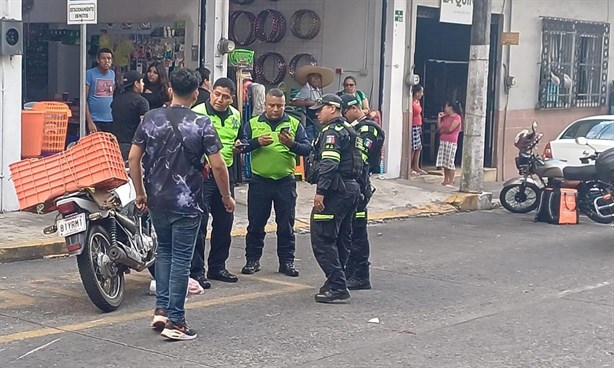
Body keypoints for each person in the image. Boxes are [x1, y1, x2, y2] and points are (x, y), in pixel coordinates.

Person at [129, 68, 235, 341]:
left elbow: (133, 158)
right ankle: (176, 320)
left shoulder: (151, 119)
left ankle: (161, 309)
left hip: (156, 199)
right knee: (181, 261)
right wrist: (226, 196)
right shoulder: (201, 123)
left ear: (169, 90)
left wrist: (140, 193)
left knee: (164, 253)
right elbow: (219, 166)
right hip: (187, 203)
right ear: (196, 94)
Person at [236, 88, 311, 277]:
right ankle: (252, 260)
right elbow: (240, 147)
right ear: (265, 105)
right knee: (255, 224)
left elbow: (307, 149)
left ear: (284, 105)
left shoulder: (294, 124)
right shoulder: (252, 124)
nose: (276, 109)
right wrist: (256, 143)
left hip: (285, 182)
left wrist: (292, 145)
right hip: (259, 182)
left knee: (286, 224)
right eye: (272, 105)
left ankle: (287, 262)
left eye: (280, 106)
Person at [308, 94, 364, 303]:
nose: (316, 113)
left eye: (320, 109)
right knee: (342, 238)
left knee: (322, 238)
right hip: (352, 190)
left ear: (332, 108)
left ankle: (338, 285)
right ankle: (334, 281)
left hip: (335, 191)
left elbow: (330, 163)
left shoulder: (332, 131)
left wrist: (321, 192)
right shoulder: (351, 130)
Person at [191, 78, 242, 286]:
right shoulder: (197, 112)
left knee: (224, 223)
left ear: (232, 98)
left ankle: (217, 267)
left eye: (226, 96)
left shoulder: (236, 116)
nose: (220, 100)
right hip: (202, 175)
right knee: (199, 224)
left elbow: (235, 139)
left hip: (225, 173)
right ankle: (196, 271)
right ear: (210, 92)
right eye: (217, 94)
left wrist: (239, 146)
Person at [340, 94, 386, 291]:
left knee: (357, 231)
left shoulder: (367, 128)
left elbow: (361, 157)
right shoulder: (355, 128)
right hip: (353, 186)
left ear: (353, 108)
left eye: (344, 112)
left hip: (359, 186)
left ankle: (360, 274)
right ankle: (350, 271)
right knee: (348, 230)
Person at [111, 70, 149, 160]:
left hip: (115, 145)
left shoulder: (116, 99)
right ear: (136, 83)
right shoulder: (141, 102)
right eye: (142, 81)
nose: (143, 84)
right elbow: (145, 127)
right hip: (133, 146)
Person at [291, 65, 335, 141]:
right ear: (309, 79)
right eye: (314, 78)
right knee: (310, 139)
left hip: (317, 120)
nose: (316, 80)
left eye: (318, 78)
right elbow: (295, 102)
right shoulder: (306, 89)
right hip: (309, 121)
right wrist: (310, 103)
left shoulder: (318, 90)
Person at [86, 48, 115, 134]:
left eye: (109, 58)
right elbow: (83, 99)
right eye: (103, 58)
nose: (106, 61)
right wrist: (89, 121)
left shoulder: (113, 74)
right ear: (98, 60)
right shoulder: (89, 74)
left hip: (110, 119)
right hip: (94, 119)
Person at [436, 100, 463, 187]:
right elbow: (439, 127)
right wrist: (439, 118)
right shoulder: (446, 117)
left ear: (451, 107)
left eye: (446, 107)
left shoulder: (457, 117)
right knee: (444, 161)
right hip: (443, 140)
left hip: (451, 142)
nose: (445, 108)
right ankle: (445, 179)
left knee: (450, 161)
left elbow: (450, 129)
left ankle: (451, 180)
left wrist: (443, 131)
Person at [411, 85, 427, 176]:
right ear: (416, 93)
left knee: (419, 147)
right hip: (413, 126)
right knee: (413, 147)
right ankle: (410, 167)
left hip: (418, 126)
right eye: (421, 92)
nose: (422, 94)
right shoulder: (411, 102)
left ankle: (416, 166)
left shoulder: (418, 102)